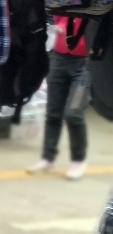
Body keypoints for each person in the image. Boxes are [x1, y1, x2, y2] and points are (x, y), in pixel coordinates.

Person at [30, 16, 90, 179]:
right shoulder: (62, 1)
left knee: (73, 113)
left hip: (84, 65)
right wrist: (53, 26)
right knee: (53, 112)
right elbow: (49, 16)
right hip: (58, 59)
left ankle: (78, 159)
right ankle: (48, 158)